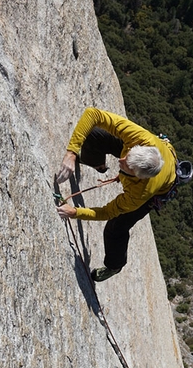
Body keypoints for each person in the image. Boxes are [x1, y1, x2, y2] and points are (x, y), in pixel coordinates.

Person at [55, 107, 178, 282]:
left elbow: (106, 212)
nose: (119, 160)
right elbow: (94, 114)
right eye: (126, 155)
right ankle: (96, 162)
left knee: (116, 228)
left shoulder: (139, 194)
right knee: (95, 134)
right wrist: (71, 152)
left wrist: (75, 213)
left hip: (160, 188)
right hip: (155, 154)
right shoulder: (140, 139)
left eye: (125, 165)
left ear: (136, 176)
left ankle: (114, 266)